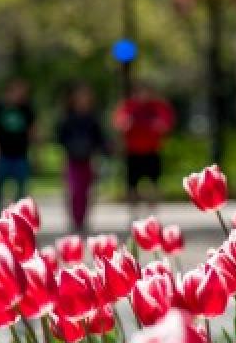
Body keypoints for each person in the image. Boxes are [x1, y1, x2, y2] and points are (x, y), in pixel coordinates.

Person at [113, 82, 175, 215]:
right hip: (133, 151)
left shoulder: (158, 107)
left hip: (152, 150)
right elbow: (120, 123)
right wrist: (127, 124)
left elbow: (166, 123)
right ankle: (134, 212)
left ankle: (152, 211)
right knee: (132, 184)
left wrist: (157, 125)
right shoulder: (129, 107)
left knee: (153, 182)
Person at [56, 84, 109, 233]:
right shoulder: (68, 119)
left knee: (86, 192)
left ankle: (83, 220)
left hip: (88, 160)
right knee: (74, 191)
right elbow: (61, 141)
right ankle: (74, 220)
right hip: (72, 160)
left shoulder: (93, 120)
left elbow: (100, 141)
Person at [0, 79, 37, 214]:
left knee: (21, 188)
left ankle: (19, 213)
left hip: (20, 154)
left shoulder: (26, 109)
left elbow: (33, 131)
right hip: (2, 154)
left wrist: (36, 151)